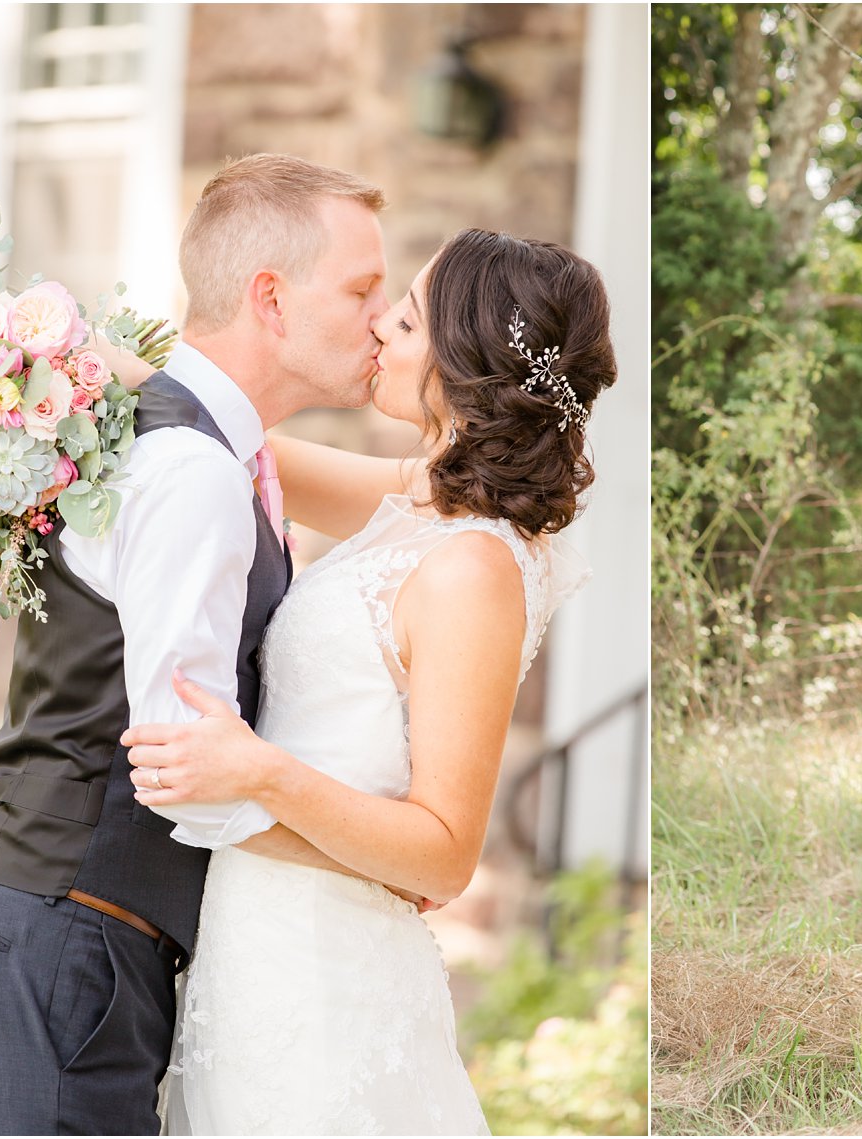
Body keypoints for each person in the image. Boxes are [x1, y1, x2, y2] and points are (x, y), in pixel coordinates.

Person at [0, 153, 392, 1135]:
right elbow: (186, 761)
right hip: (60, 940)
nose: (379, 318)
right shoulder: (192, 472)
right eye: (359, 288)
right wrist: (370, 864)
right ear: (269, 297)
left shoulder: (214, 450)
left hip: (68, 935)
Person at [121, 228, 614, 1134]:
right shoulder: (423, 502)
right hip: (258, 943)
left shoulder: (475, 567)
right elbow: (239, 437)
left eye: (410, 317)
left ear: (468, 359)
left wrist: (258, 771)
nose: (381, 328)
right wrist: (52, 358)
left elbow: (444, 852)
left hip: (329, 973)